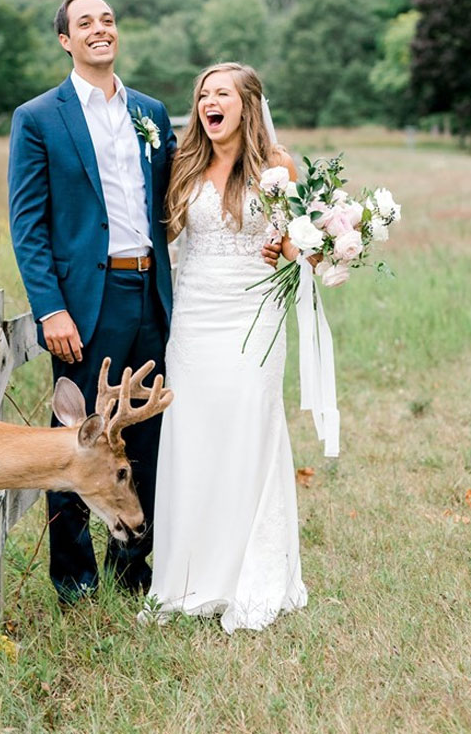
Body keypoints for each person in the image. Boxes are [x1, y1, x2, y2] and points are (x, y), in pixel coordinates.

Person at [8, 0, 176, 605]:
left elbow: (173, 201)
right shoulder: (39, 117)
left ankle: (132, 573)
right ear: (66, 40)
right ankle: (74, 580)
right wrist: (51, 307)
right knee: (79, 440)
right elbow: (28, 225)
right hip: (84, 303)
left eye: (108, 19)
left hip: (151, 294)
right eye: (86, 22)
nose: (100, 29)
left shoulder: (152, 114)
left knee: (146, 435)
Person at [144, 62, 308, 633]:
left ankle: (248, 571)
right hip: (193, 318)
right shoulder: (184, 164)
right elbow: (162, 234)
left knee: (247, 425)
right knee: (192, 433)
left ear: (247, 105)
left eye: (222, 94)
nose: (209, 103)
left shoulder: (278, 166)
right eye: (203, 95)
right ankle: (189, 574)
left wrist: (289, 246)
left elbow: (295, 246)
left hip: (253, 317)